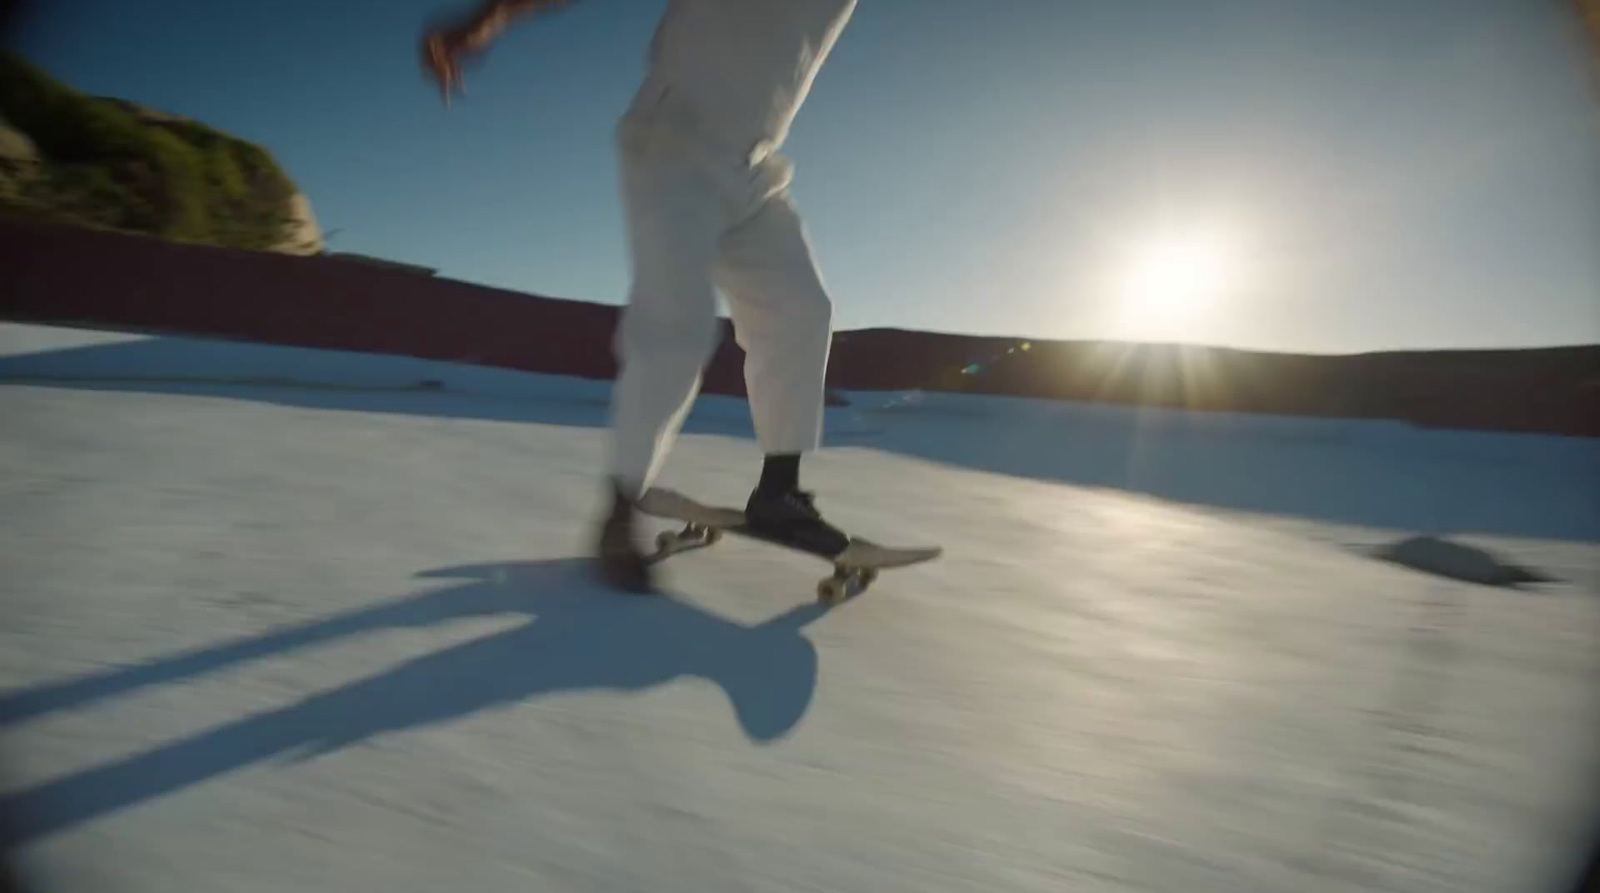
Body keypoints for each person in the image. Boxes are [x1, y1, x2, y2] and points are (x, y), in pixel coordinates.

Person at [422, 0, 856, 592]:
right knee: (678, 323)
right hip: (675, 141)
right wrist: (488, 19)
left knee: (802, 309)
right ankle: (619, 508)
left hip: (752, 165)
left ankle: (779, 491)